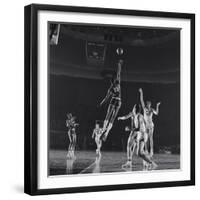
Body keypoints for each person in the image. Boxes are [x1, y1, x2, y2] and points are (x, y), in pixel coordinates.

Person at [118, 104, 157, 170]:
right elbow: (126, 116)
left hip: (141, 134)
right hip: (140, 133)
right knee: (137, 151)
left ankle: (149, 162)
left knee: (139, 152)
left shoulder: (139, 116)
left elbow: (139, 128)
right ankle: (148, 162)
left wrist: (129, 129)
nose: (133, 109)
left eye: (134, 108)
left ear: (135, 109)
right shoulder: (134, 114)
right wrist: (120, 118)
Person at [100, 59, 123, 141]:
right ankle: (107, 133)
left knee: (108, 115)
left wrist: (102, 102)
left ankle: (103, 130)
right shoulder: (118, 82)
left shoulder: (110, 88)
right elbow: (119, 73)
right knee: (113, 117)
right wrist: (119, 65)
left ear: (111, 82)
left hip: (113, 100)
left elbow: (106, 98)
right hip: (119, 101)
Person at [139, 88, 161, 157]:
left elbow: (157, 113)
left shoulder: (152, 109)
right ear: (146, 104)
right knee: (146, 138)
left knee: (151, 138)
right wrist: (141, 92)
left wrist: (157, 106)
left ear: (150, 105)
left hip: (151, 125)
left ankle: (151, 151)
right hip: (145, 126)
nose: (148, 104)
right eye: (147, 103)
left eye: (149, 104)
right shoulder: (144, 108)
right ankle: (146, 150)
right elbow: (141, 100)